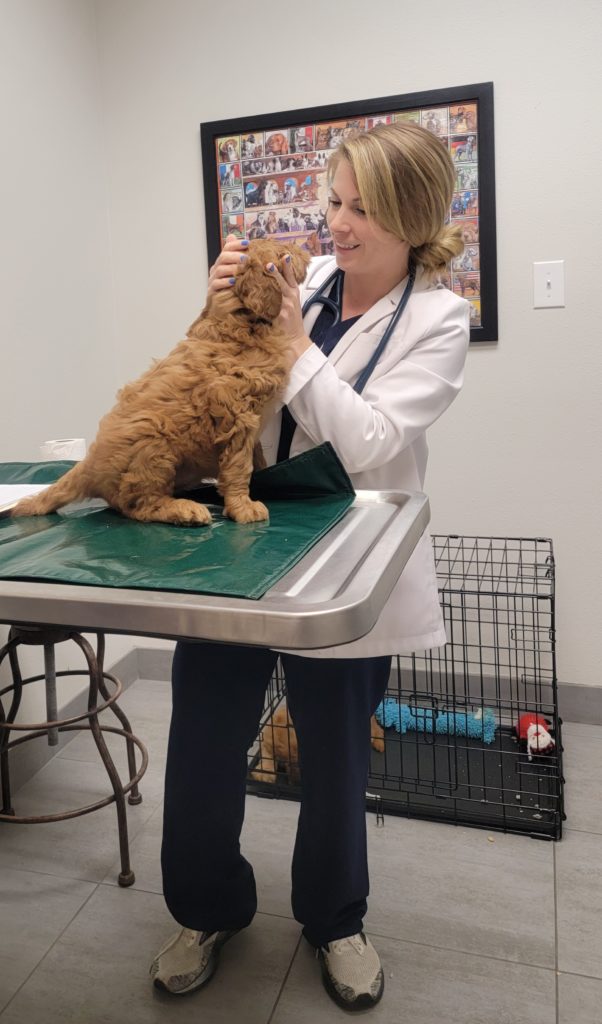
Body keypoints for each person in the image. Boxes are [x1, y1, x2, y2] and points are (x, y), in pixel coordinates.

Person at [150, 121, 470, 1012]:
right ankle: (207, 907)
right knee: (205, 742)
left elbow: (367, 440)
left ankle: (335, 922)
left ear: (413, 217)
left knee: (334, 764)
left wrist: (291, 342)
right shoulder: (310, 284)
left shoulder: (438, 322)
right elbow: (214, 377)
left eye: (364, 209)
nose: (338, 223)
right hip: (243, 544)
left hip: (347, 567)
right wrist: (214, 306)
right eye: (334, 200)